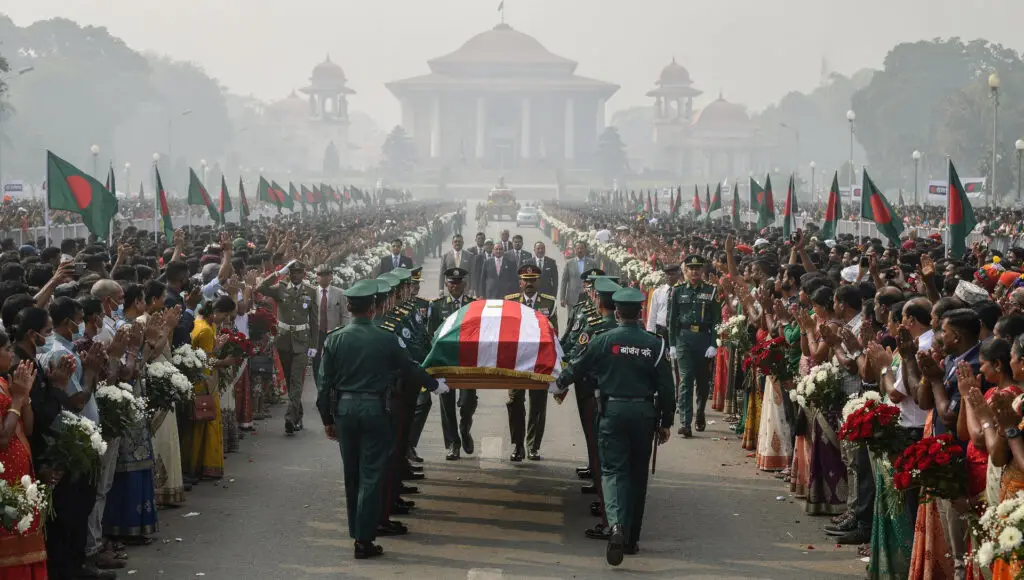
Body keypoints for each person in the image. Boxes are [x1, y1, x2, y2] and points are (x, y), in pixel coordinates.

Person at [315, 279, 450, 560]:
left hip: (345, 412)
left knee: (352, 475)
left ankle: (358, 533)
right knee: (371, 474)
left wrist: (327, 418)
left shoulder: (335, 338)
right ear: (374, 308)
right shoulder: (385, 338)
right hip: (376, 410)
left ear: (349, 308)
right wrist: (435, 385)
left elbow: (323, 384)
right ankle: (364, 539)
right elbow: (409, 368)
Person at [554, 287, 674, 566]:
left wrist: (558, 383)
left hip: (612, 412)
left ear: (617, 312)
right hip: (644, 414)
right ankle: (631, 540)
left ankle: (616, 526)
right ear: (640, 313)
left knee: (612, 472)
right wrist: (666, 422)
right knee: (637, 477)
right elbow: (667, 388)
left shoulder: (603, 340)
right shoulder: (655, 344)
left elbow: (579, 368)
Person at [0, 334, 47, 578]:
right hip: (4, 477)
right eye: (6, 349)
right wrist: (17, 398)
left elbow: (27, 428)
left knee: (25, 533)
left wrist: (25, 397)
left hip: (21, 471)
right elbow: (2, 438)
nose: (11, 354)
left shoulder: (5, 381)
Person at [256, 260, 319, 434]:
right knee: (291, 381)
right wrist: (278, 273)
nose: (295, 275)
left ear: (303, 274)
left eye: (298, 272)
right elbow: (260, 288)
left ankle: (290, 418)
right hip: (284, 340)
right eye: (292, 272)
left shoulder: (311, 291)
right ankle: (298, 415)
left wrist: (314, 345)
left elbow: (314, 320)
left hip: (302, 341)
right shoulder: (280, 288)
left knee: (297, 380)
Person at [504, 264, 558, 461]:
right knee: (515, 402)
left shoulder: (549, 303)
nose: (529, 284)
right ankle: (517, 446)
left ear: (539, 282)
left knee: (538, 404)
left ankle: (533, 445)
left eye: (533, 280)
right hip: (516, 363)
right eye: (526, 280)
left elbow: (555, 335)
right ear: (520, 282)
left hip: (539, 363)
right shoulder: (509, 302)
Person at [667, 254, 721, 437]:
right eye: (691, 268)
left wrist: (714, 344)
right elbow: (672, 319)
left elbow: (716, 321)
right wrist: (672, 344)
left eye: (698, 268)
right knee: (686, 381)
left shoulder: (711, 291)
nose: (695, 271)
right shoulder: (678, 291)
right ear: (686, 270)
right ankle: (685, 422)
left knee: (703, 383)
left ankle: (700, 413)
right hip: (684, 339)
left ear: (703, 271)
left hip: (703, 340)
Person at [426, 268, 477, 460]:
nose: (455, 286)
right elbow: (430, 334)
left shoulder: (473, 305)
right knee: (446, 404)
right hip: (445, 363)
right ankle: (452, 444)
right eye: (451, 283)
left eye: (458, 282)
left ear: (465, 284)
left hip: (468, 363)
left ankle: (465, 428)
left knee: (468, 402)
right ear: (446, 285)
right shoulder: (438, 306)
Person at [313, 264, 350, 386]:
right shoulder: (311, 293)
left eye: (325, 274)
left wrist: (344, 331)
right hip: (316, 334)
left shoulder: (340, 293)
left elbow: (345, 315)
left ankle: (333, 386)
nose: (322, 277)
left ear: (330, 276)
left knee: (334, 360)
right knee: (317, 361)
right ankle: (319, 386)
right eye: (320, 275)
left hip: (334, 333)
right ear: (316, 277)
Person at [560, 241, 599, 309]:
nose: (579, 250)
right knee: (571, 318)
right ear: (574, 250)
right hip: (572, 299)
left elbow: (597, 280)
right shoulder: (569, 263)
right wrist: (562, 298)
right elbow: (564, 281)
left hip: (588, 299)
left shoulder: (592, 263)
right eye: (577, 248)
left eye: (581, 248)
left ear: (585, 250)